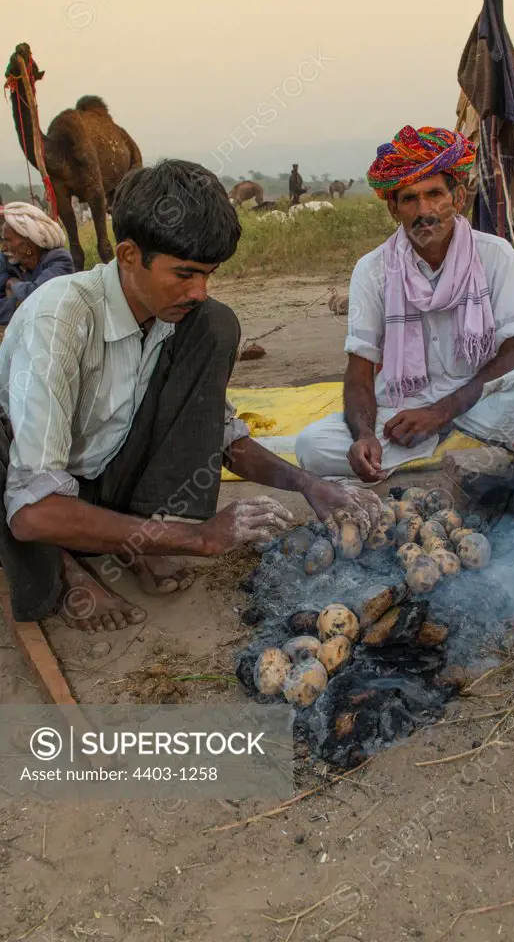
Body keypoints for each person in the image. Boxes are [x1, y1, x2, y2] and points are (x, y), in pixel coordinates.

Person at [0, 159, 379, 632]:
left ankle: (139, 538)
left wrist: (308, 484)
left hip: (100, 473)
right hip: (32, 493)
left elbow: (215, 433)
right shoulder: (60, 320)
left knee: (217, 322)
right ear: (128, 255)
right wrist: (197, 537)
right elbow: (32, 511)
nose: (199, 291)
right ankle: (63, 569)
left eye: (208, 273)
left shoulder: (174, 316)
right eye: (184, 274)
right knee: (25, 498)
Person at [295, 125, 514, 481]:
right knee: (311, 446)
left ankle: (454, 441)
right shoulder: (372, 269)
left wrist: (442, 412)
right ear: (394, 209)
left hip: (480, 400)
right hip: (403, 414)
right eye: (410, 199)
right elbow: (359, 371)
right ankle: (475, 447)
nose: (425, 211)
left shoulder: (495, 254)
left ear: (458, 199)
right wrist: (363, 434)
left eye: (434, 194)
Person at [0, 202, 74, 330]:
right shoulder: (6, 260)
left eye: (8, 240)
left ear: (28, 244)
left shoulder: (59, 260)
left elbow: (40, 298)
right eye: (3, 240)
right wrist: (18, 305)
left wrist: (12, 284)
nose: (4, 247)